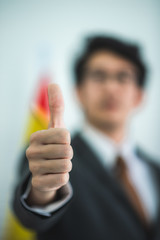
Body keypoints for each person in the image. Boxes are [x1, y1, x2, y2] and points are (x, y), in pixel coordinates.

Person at [12, 36, 160, 240]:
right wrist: (43, 191)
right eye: (99, 76)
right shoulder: (49, 156)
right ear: (79, 92)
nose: (111, 87)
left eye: (123, 77)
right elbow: (33, 214)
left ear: (139, 96)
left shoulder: (155, 170)